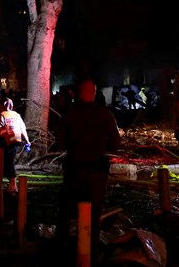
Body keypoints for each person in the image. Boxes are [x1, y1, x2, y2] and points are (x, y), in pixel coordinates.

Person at [55, 79, 122, 262]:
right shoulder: (105, 114)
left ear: (78, 94)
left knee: (66, 212)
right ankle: (91, 252)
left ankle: (59, 250)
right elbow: (116, 144)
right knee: (94, 214)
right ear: (94, 94)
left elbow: (60, 144)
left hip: (74, 171)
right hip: (97, 173)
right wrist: (100, 145)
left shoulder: (69, 114)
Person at [0, 97, 30, 194]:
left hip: (5, 141)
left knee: (8, 162)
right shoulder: (16, 115)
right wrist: (27, 141)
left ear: (1, 105)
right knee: (8, 161)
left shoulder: (1, 116)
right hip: (16, 140)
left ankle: (12, 186)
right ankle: (9, 184)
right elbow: (23, 129)